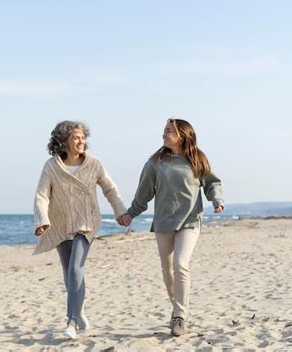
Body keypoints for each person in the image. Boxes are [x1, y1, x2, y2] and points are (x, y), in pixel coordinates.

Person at [119, 118, 224, 337]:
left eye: (169, 131)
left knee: (180, 264)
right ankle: (177, 308)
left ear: (182, 135)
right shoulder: (155, 162)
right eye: (164, 131)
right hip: (164, 223)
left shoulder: (197, 159)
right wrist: (131, 213)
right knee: (168, 271)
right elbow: (144, 194)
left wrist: (216, 200)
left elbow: (212, 183)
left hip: (190, 220)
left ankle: (180, 316)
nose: (164, 135)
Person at [33, 120, 127, 340]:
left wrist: (121, 212)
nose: (81, 141)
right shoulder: (51, 166)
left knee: (76, 269)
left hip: (86, 222)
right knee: (69, 274)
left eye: (83, 137)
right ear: (63, 141)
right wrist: (42, 220)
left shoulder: (94, 164)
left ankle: (71, 322)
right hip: (60, 223)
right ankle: (80, 309)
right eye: (76, 137)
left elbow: (110, 188)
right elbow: (41, 195)